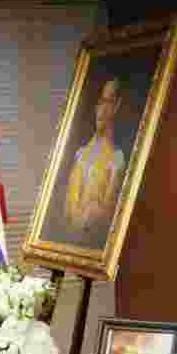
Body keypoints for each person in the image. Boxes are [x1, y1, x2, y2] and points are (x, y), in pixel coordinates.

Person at [63, 77, 126, 247]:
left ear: (117, 106)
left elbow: (107, 213)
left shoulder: (117, 158)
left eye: (108, 102)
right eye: (100, 102)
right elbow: (68, 208)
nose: (101, 110)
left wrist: (91, 213)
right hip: (71, 243)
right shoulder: (80, 154)